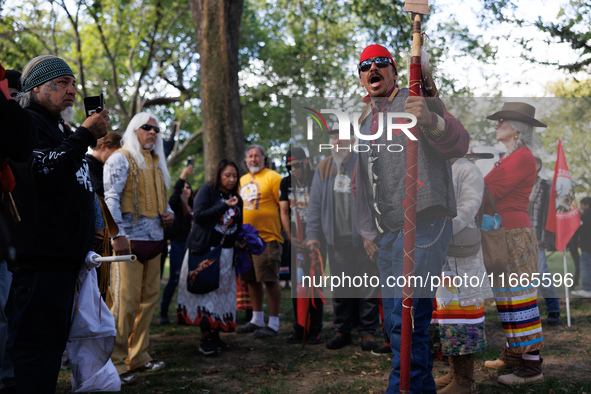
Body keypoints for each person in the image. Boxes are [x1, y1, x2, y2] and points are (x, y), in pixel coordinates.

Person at [354, 44, 470, 392]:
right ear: (361, 78)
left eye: (380, 63)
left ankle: (400, 388)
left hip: (425, 222)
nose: (372, 68)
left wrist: (431, 119)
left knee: (409, 320)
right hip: (390, 232)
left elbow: (459, 143)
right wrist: (366, 231)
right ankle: (416, 387)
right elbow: (363, 183)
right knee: (395, 323)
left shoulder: (415, 99)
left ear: (392, 71)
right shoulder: (364, 123)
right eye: (365, 66)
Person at [6, 55, 109, 392]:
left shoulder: (58, 128)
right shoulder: (25, 124)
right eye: (62, 83)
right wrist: (82, 136)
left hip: (63, 265)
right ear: (37, 87)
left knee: (50, 354)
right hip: (40, 265)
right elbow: (43, 172)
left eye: (73, 83)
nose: (72, 91)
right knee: (36, 356)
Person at [104, 112, 173, 385]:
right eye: (147, 128)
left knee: (148, 302)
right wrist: (117, 235)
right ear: (135, 130)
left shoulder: (157, 163)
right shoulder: (120, 158)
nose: (152, 133)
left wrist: (169, 215)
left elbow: (162, 201)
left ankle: (139, 356)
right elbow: (110, 199)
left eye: (156, 129)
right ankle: (116, 363)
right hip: (128, 244)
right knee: (125, 302)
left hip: (155, 242)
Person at [482, 102, 546, 385]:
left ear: (517, 129)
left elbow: (489, 192)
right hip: (502, 233)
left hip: (516, 234)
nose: (496, 126)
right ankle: (513, 354)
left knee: (520, 298)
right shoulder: (508, 157)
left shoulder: (522, 158)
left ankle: (532, 368)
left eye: (502, 122)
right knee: (506, 297)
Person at [307, 124, 380, 351]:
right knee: (341, 289)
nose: (338, 142)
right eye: (334, 138)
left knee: (367, 287)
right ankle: (342, 331)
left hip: (363, 240)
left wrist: (374, 234)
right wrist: (312, 235)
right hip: (336, 241)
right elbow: (315, 204)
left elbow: (375, 199)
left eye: (343, 138)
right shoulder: (324, 167)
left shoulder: (362, 163)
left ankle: (367, 332)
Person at [432, 155, 492, 393]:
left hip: (462, 255)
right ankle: (454, 373)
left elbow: (468, 208)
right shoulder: (444, 165)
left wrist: (439, 229)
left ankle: (465, 382)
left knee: (461, 316)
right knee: (448, 316)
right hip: (446, 253)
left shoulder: (467, 169)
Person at [177, 159, 243, 355]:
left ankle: (215, 334)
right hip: (205, 251)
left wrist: (240, 240)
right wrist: (223, 206)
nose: (231, 179)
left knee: (220, 294)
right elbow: (198, 216)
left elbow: (237, 222)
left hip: (226, 253)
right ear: (219, 176)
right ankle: (206, 337)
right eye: (227, 175)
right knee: (205, 293)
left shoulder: (236, 196)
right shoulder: (207, 190)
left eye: (234, 176)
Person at [237, 145, 284, 338]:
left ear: (264, 159)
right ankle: (256, 319)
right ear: (246, 160)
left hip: (267, 238)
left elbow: (283, 207)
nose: (253, 159)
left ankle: (273, 323)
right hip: (245, 241)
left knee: (269, 279)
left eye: (257, 156)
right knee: (251, 280)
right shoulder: (242, 180)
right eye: (250, 156)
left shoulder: (273, 177)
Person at [279, 147, 324, 344]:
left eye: (296, 165)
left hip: (315, 238)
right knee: (298, 285)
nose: (293, 170)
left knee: (315, 283)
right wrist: (290, 238)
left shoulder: (317, 178)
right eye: (289, 167)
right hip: (295, 239)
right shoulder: (285, 182)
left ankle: (315, 329)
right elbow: (283, 211)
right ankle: (299, 328)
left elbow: (324, 209)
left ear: (306, 162)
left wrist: (315, 237)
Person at [160, 164, 195, 324]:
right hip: (178, 245)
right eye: (184, 188)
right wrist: (182, 177)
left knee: (191, 281)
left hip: (193, 248)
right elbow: (174, 195)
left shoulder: (194, 206)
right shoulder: (177, 204)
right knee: (174, 279)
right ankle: (163, 312)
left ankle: (187, 313)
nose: (186, 190)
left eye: (188, 187)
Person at [528, 156, 560, 324]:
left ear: (538, 165)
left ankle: (554, 309)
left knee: (541, 274)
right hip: (518, 236)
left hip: (537, 237)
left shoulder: (546, 186)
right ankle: (526, 313)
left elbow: (552, 212)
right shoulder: (519, 184)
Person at [86, 132, 122, 198]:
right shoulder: (86, 163)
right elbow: (100, 190)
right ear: (103, 147)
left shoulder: (100, 165)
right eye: (114, 153)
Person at [572, 197, 591, 298]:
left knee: (586, 268)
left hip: (587, 247)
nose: (581, 207)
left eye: (582, 205)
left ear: (587, 204)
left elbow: (580, 230)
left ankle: (586, 288)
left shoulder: (586, 216)